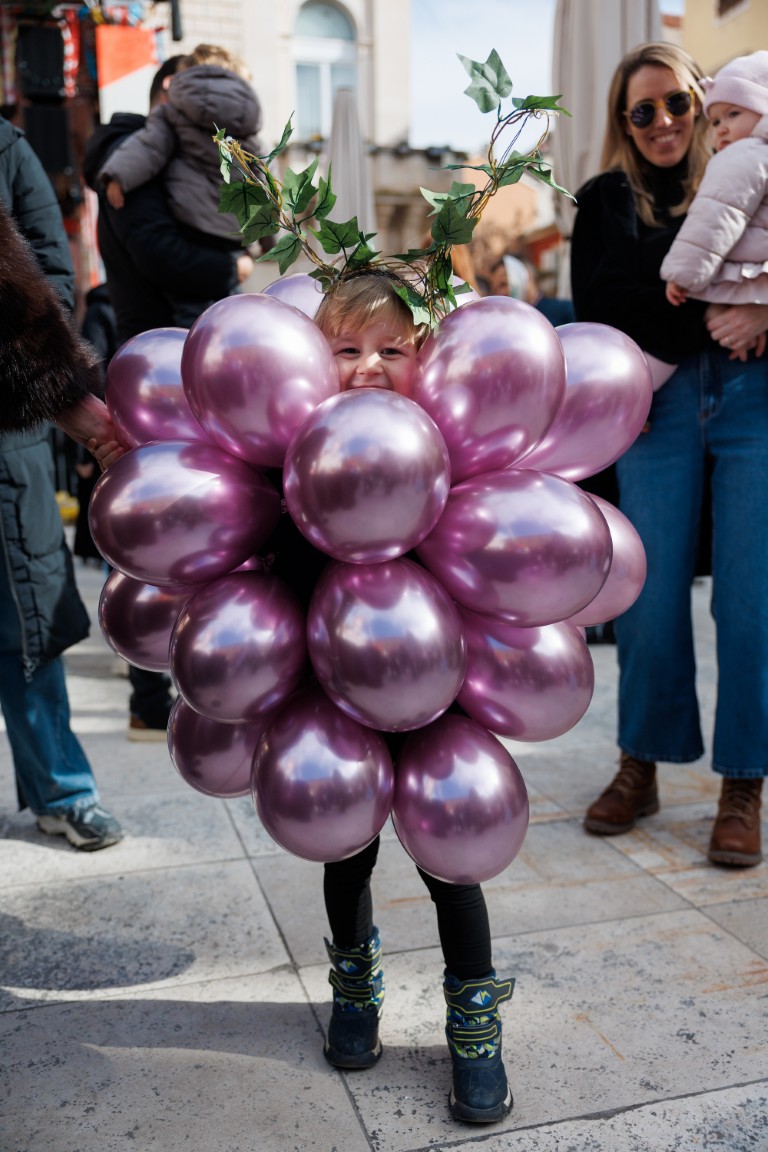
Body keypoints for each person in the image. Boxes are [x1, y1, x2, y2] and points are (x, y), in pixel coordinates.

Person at [276, 271, 513, 1126]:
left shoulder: (447, 454)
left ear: (428, 360)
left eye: (392, 349)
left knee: (451, 858)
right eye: (345, 349)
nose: (368, 366)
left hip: (434, 692)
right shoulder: (297, 458)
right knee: (348, 850)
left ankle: (475, 1020)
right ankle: (355, 986)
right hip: (335, 686)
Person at [570, 42, 768, 868]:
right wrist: (728, 301)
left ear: (704, 99)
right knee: (645, 597)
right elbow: (604, 308)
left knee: (751, 600)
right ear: (623, 123)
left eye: (678, 103)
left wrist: (765, 311)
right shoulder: (605, 200)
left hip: (753, 397)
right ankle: (642, 762)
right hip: (654, 412)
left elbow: (651, 301)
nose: (663, 122)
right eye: (642, 111)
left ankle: (745, 783)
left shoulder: (752, 168)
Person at [83, 53, 255, 739]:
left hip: (191, 361)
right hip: (156, 370)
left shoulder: (188, 159)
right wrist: (232, 262)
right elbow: (159, 253)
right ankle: (150, 693)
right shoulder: (136, 160)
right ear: (167, 95)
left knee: (204, 520)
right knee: (154, 522)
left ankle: (200, 669)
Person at [0, 189, 124, 851]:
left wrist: (71, 400)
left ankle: (61, 790)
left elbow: (38, 278)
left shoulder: (10, 150)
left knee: (27, 625)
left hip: (10, 432)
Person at [96, 44, 262, 257]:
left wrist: (118, 175)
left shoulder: (173, 114)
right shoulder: (248, 127)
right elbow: (264, 180)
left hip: (192, 221)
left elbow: (148, 146)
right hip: (236, 229)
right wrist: (269, 238)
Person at [661, 51, 768, 321]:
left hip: (748, 276)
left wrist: (683, 274)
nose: (721, 129)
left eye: (733, 114)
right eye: (716, 121)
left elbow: (713, 220)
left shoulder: (743, 154)